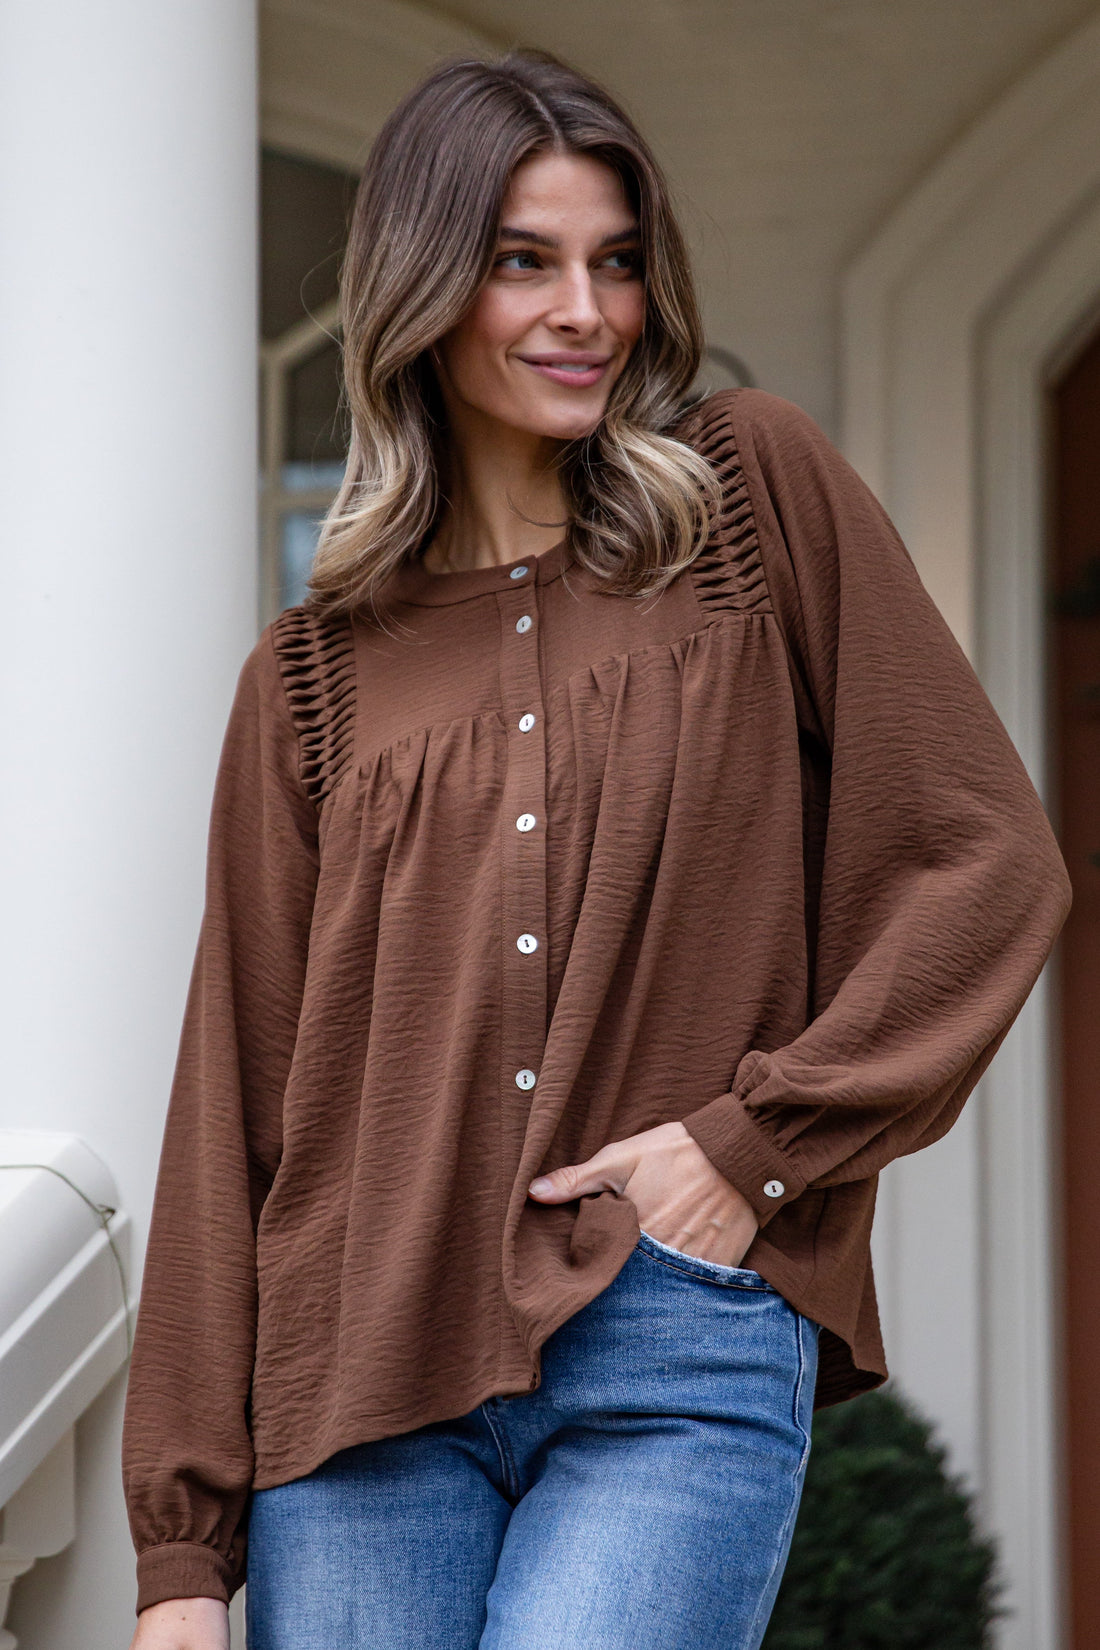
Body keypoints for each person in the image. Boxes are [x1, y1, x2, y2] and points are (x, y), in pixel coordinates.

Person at [121, 47, 1072, 1650]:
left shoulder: (750, 506)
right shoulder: (311, 675)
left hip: (670, 1343)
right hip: (353, 1393)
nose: (587, 308)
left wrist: (748, 1144)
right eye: (525, 261)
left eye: (617, 260)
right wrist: (181, 1558)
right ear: (424, 289)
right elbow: (238, 1104)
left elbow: (983, 858)